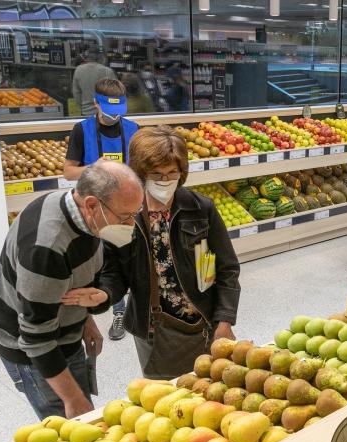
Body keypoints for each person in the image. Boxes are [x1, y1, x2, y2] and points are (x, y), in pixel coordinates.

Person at [0, 162, 144, 419]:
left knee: (81, 416)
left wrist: (86, 321)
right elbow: (35, 337)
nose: (131, 224)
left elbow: (73, 281)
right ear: (92, 204)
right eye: (125, 216)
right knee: (70, 428)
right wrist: (72, 399)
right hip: (34, 353)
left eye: (135, 213)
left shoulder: (86, 217)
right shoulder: (46, 247)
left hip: (63, 333)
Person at [98, 127, 241, 379]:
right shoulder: (122, 214)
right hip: (152, 327)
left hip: (202, 322)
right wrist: (102, 295)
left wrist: (225, 320)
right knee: (164, 400)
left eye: (172, 173)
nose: (165, 181)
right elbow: (114, 272)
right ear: (140, 173)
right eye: (156, 174)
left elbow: (227, 268)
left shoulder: (200, 208)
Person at [63, 78, 140, 340]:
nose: (114, 118)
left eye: (118, 113)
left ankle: (136, 307)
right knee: (105, 262)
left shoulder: (133, 129)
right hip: (94, 211)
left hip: (127, 208)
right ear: (96, 103)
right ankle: (118, 312)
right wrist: (95, 168)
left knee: (129, 255)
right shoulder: (81, 130)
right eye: (109, 112)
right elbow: (68, 171)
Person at [71, 50, 116, 117]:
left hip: (86, 112)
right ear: (101, 58)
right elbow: (115, 93)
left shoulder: (78, 70)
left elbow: (76, 93)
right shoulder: (107, 71)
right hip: (105, 113)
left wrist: (82, 107)